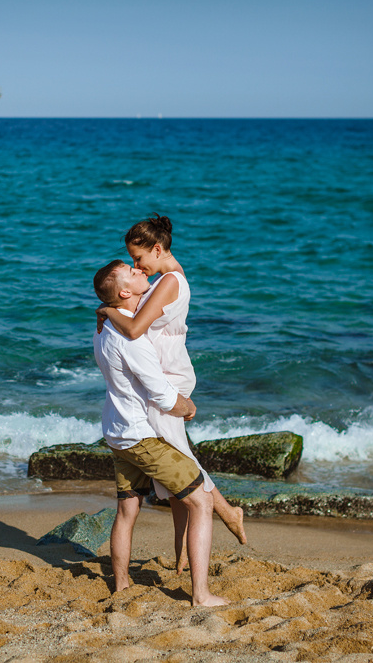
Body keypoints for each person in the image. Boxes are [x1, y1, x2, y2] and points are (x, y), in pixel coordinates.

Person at [97, 214, 246, 573]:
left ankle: (227, 511)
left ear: (158, 249)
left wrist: (106, 309)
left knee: (181, 464)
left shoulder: (168, 282)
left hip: (167, 378)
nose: (136, 266)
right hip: (161, 376)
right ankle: (182, 553)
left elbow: (133, 327)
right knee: (176, 471)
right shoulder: (164, 281)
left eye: (138, 258)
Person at [93, 260, 229, 607]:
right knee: (200, 501)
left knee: (127, 510)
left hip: (116, 431)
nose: (142, 272)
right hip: (141, 437)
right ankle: (200, 594)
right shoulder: (132, 340)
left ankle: (122, 586)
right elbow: (163, 396)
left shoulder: (104, 327)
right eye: (133, 272)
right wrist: (188, 406)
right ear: (125, 291)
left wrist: (107, 309)